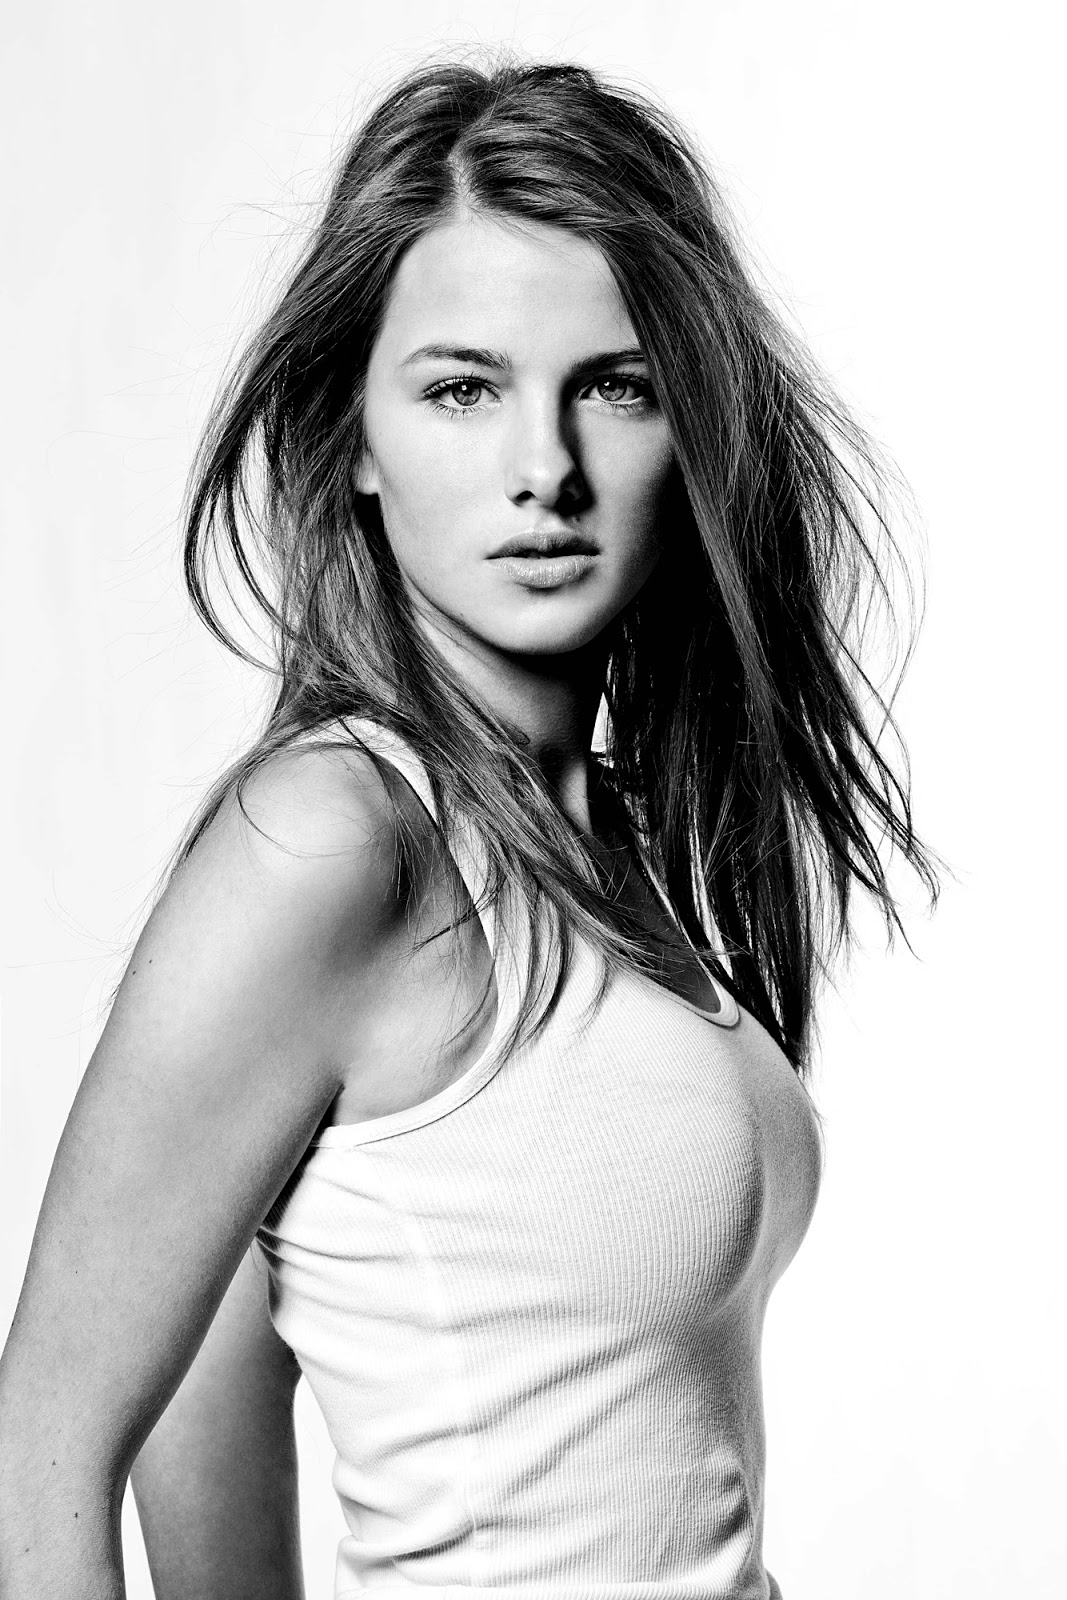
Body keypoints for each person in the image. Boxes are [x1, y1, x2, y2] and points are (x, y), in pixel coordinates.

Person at [0, 52, 941, 1600]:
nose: (545, 471)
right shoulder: (336, 840)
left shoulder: (618, 847)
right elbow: (48, 1439)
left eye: (616, 386)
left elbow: (216, 1356)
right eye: (462, 388)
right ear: (358, 439)